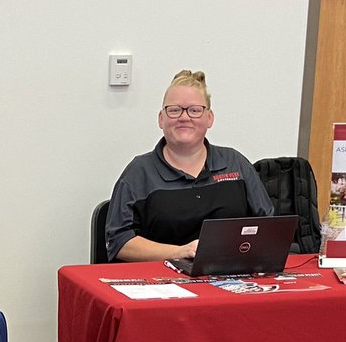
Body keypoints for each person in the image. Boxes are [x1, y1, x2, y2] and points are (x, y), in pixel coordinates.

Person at [104, 69, 273, 262]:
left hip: (232, 279)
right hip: (162, 284)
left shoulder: (236, 164)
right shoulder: (138, 173)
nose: (184, 117)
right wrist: (180, 252)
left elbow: (268, 227)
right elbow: (118, 242)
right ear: (161, 119)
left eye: (194, 110)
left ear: (209, 118)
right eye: (175, 110)